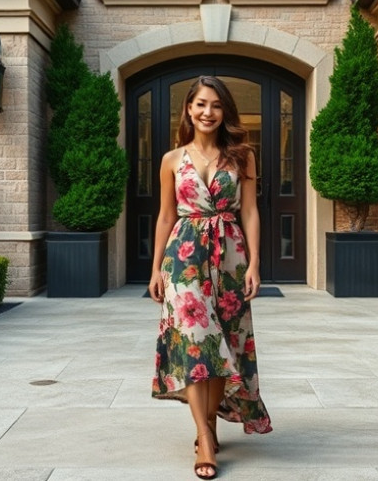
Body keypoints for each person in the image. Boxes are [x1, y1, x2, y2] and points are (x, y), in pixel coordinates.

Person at [149, 76, 273, 479]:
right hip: (183, 256)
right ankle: (204, 434)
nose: (208, 112)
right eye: (200, 104)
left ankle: (212, 427)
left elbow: (250, 211)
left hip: (230, 257)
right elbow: (167, 215)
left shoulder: (242, 155)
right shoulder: (171, 159)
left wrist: (254, 263)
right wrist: (155, 269)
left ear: (225, 112)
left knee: (225, 347)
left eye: (216, 105)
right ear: (188, 108)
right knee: (195, 344)